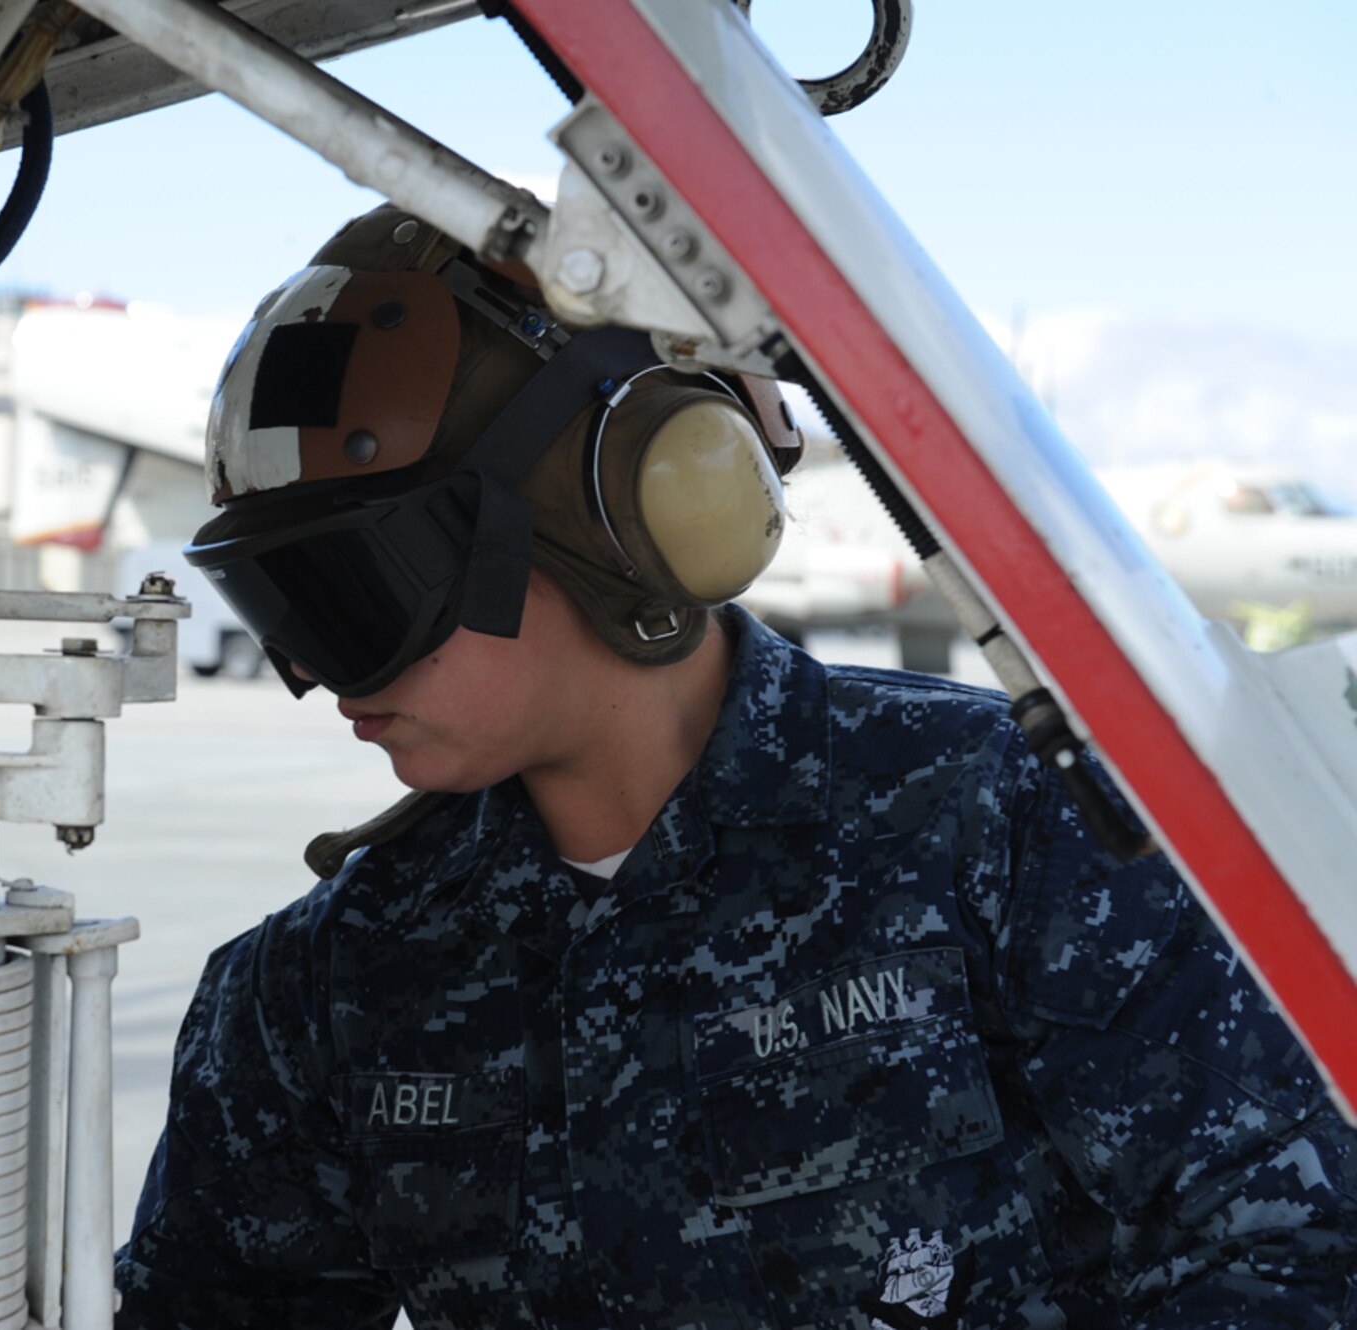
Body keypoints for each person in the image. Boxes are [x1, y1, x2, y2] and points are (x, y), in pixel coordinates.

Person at [113, 206, 1357, 1329]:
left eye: (354, 588)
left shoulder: (1007, 826)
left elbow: (1291, 1253)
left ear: (622, 516)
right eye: (276, 602)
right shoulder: (320, 987)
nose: (318, 669)